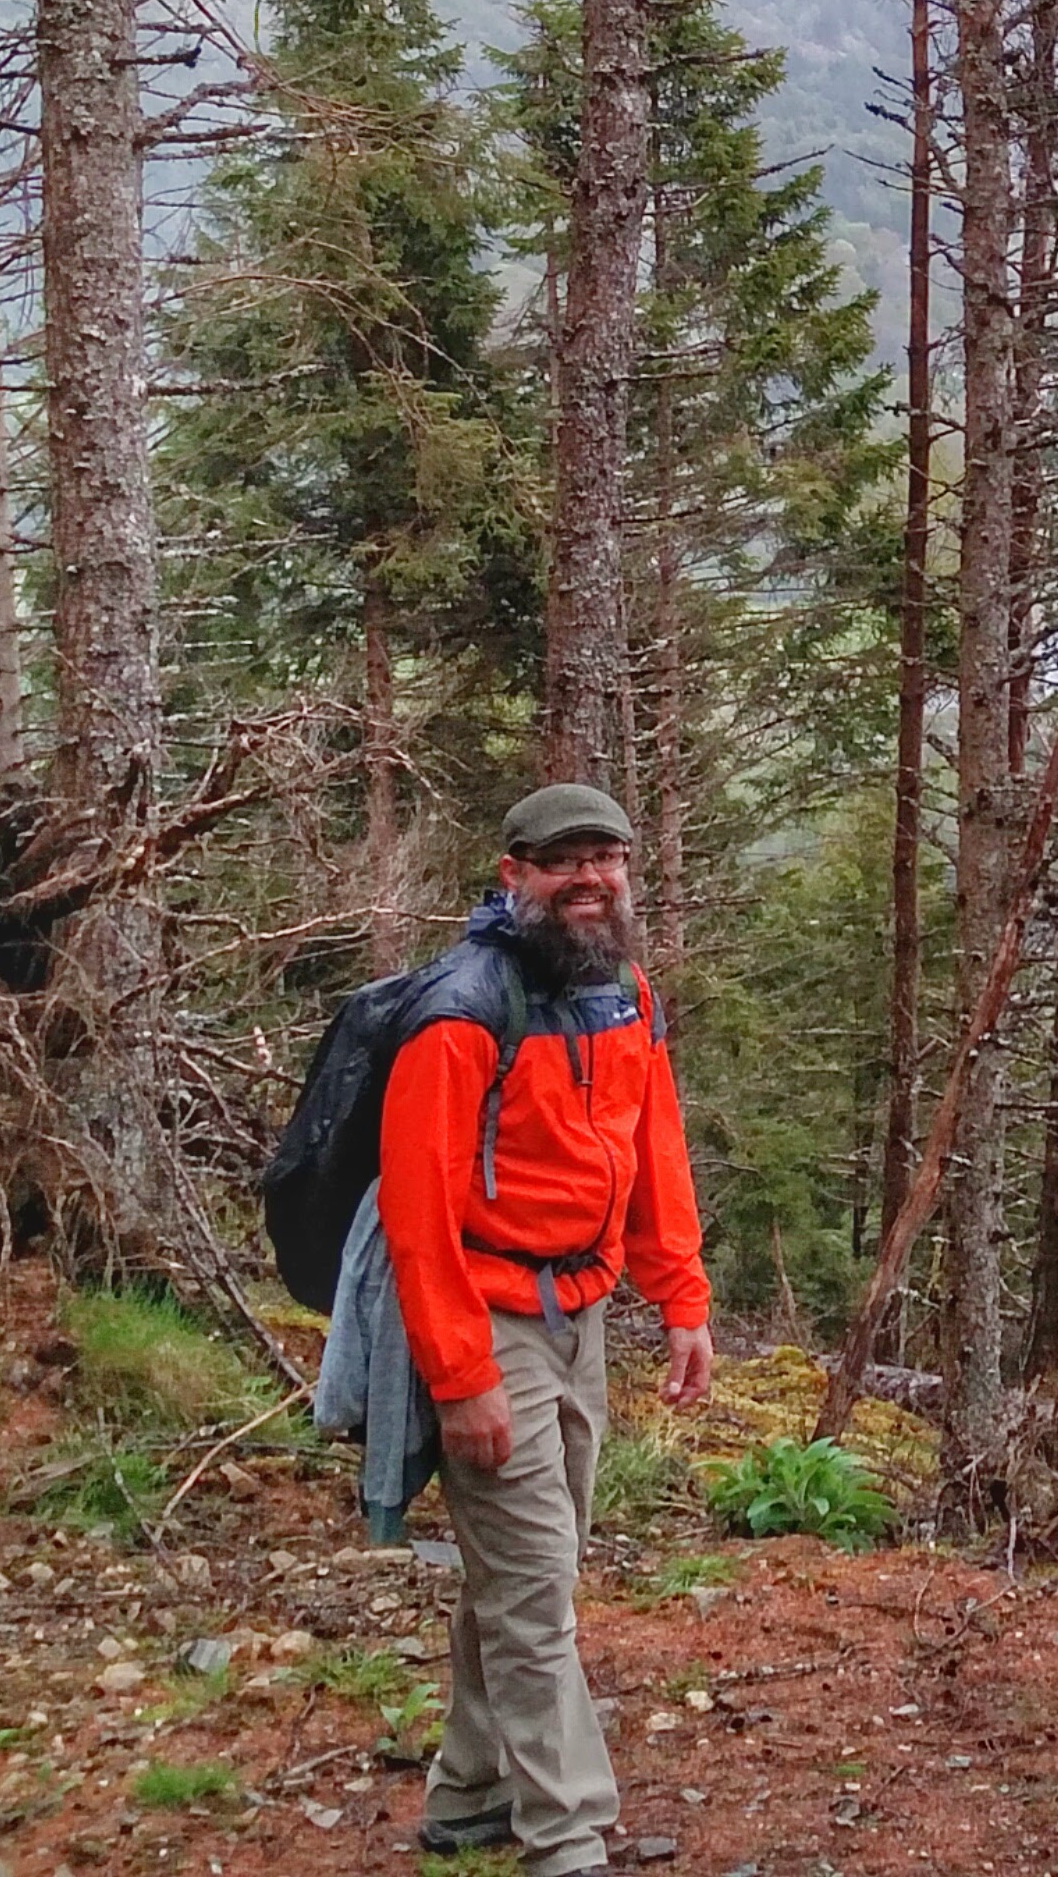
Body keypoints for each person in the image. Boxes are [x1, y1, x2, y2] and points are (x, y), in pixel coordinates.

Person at [384, 781, 717, 1871]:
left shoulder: (622, 992)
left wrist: (681, 1298)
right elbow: (418, 1218)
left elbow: (655, 1150)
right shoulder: (462, 1012)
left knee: (534, 1565)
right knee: (534, 1586)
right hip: (490, 1320)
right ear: (513, 874)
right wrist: (460, 1373)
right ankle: (566, 1834)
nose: (588, 878)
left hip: (583, 1314)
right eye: (563, 860)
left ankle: (470, 1789)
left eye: (604, 858)